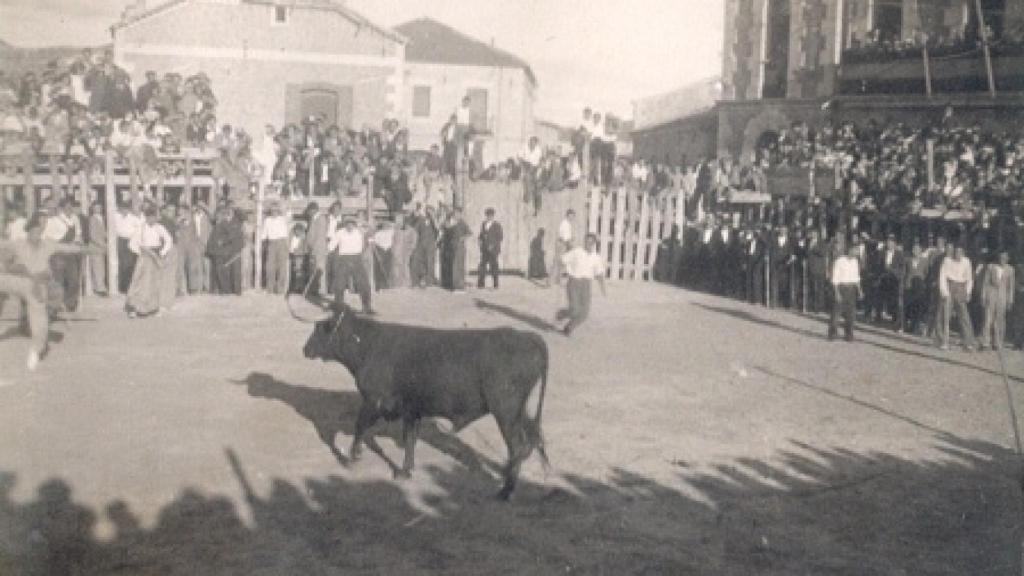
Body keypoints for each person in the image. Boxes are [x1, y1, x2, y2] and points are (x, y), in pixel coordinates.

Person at [0, 214, 95, 370]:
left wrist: (88, 250)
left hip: (37, 286)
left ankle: (35, 351)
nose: (37, 235)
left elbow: (69, 248)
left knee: (39, 320)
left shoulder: (48, 245)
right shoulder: (18, 244)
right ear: (28, 231)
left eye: (39, 232)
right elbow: (2, 244)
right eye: (34, 232)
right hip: (20, 281)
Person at [125, 205, 174, 318]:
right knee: (140, 282)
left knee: (154, 283)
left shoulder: (159, 227)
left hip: (155, 256)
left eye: (154, 217)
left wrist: (161, 253)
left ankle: (152, 308)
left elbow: (168, 240)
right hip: (144, 258)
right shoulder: (140, 228)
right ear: (146, 217)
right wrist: (141, 252)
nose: (152, 220)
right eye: (149, 217)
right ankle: (135, 308)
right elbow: (132, 244)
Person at [557, 233, 606, 336]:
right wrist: (559, 276)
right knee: (574, 310)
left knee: (584, 313)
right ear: (584, 242)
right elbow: (562, 261)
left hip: (586, 285)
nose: (588, 244)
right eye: (587, 241)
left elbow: (599, 273)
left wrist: (603, 288)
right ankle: (562, 314)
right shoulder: (577, 252)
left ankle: (569, 327)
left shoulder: (596, 257)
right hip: (574, 282)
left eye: (591, 242)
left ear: (594, 244)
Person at [328, 216, 373, 314]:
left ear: (354, 224)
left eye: (352, 223)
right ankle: (338, 306)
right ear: (345, 224)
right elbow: (331, 246)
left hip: (357, 258)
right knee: (339, 284)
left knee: (363, 283)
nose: (350, 226)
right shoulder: (340, 233)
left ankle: (367, 307)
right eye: (348, 223)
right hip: (344, 259)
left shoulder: (359, 232)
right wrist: (328, 252)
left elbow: (370, 233)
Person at [938, 244, 977, 351]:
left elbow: (969, 279)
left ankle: (968, 342)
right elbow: (942, 276)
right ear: (953, 252)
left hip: (961, 288)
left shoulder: (967, 262)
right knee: (945, 315)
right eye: (956, 252)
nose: (957, 255)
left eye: (960, 253)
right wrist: (944, 292)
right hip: (949, 286)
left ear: (963, 253)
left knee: (964, 316)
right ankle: (943, 341)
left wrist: (968, 292)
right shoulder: (947, 260)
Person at [980, 250, 1014, 351]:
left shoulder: (1010, 270)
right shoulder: (991, 267)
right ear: (998, 258)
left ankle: (997, 342)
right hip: (991, 294)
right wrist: (983, 295)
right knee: (988, 318)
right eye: (1000, 257)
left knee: (1000, 320)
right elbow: (985, 283)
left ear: (1008, 259)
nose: (1002, 260)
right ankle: (986, 342)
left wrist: (1010, 300)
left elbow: (1010, 287)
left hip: (1002, 296)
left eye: (1004, 258)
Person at [829, 243, 863, 342]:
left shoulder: (855, 262)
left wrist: (860, 290)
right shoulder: (839, 261)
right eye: (856, 250)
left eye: (858, 251)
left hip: (851, 289)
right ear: (850, 250)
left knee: (851, 314)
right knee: (836, 313)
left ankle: (848, 334)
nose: (857, 253)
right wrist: (837, 293)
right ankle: (832, 332)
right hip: (841, 287)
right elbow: (834, 278)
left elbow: (857, 277)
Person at [207, 207, 244, 295]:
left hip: (224, 251)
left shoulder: (226, 224)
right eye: (217, 216)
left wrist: (223, 241)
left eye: (220, 216)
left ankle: (228, 290)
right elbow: (212, 239)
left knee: (225, 271)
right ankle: (222, 290)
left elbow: (232, 236)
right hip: (216, 251)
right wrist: (210, 250)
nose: (218, 217)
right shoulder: (217, 226)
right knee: (219, 271)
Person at [439, 208, 472, 292]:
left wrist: (462, 238)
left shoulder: (462, 222)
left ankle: (459, 286)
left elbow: (469, 233)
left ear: (460, 214)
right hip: (451, 247)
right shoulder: (450, 222)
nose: (456, 215)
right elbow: (443, 228)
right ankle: (451, 284)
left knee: (458, 266)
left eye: (458, 213)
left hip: (459, 247)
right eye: (455, 213)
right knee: (451, 265)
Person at [262, 202, 290, 294]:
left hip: (282, 242)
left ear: (278, 211)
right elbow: (264, 234)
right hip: (271, 243)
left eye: (276, 210)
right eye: (272, 210)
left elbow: (286, 233)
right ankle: (270, 287)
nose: (274, 212)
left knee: (282, 267)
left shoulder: (283, 219)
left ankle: (280, 289)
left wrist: (287, 246)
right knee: (270, 266)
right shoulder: (267, 220)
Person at [114, 203, 141, 294]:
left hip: (130, 241)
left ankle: (129, 287)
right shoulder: (116, 217)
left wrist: (135, 239)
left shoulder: (133, 218)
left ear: (129, 210)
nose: (124, 211)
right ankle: (122, 287)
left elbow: (140, 228)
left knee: (129, 264)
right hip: (120, 241)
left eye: (126, 209)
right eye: (122, 209)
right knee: (121, 264)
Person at [389, 212, 417, 289]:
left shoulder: (409, 229)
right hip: (396, 251)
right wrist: (393, 249)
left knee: (405, 266)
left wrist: (410, 249)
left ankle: (407, 283)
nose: (397, 221)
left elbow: (414, 239)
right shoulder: (394, 229)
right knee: (396, 267)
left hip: (405, 251)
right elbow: (392, 239)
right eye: (396, 219)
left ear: (402, 220)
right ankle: (397, 283)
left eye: (399, 219)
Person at [477, 207, 502, 289]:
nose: (489, 217)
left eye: (491, 215)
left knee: (494, 266)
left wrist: (493, 245)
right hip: (484, 249)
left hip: (493, 250)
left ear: (493, 216)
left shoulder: (497, 225)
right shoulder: (483, 224)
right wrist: (480, 242)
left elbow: (500, 237)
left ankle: (495, 284)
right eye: (488, 215)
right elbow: (481, 235)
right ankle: (481, 284)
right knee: (482, 266)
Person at [86, 204, 108, 297]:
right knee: (97, 266)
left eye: (99, 207)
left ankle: (100, 286)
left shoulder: (102, 218)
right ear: (93, 209)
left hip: (101, 245)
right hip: (96, 245)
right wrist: (101, 244)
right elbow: (92, 235)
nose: (98, 209)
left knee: (101, 266)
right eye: (96, 208)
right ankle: (99, 288)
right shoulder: (92, 219)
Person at [552, 209, 575, 286]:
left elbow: (568, 236)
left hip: (564, 243)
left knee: (561, 262)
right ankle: (550, 281)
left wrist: (571, 239)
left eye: (573, 216)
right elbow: (564, 237)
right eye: (570, 216)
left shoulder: (568, 224)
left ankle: (558, 279)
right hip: (561, 243)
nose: (571, 217)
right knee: (557, 261)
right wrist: (569, 245)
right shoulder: (564, 223)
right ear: (567, 215)